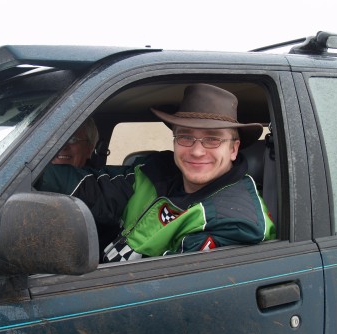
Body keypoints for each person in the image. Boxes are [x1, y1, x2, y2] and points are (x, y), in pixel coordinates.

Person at [37, 84, 276, 262]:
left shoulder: (236, 222)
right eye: (185, 136)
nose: (196, 151)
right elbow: (93, 187)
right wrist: (26, 176)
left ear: (233, 149)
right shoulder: (155, 171)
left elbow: (166, 291)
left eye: (212, 140)